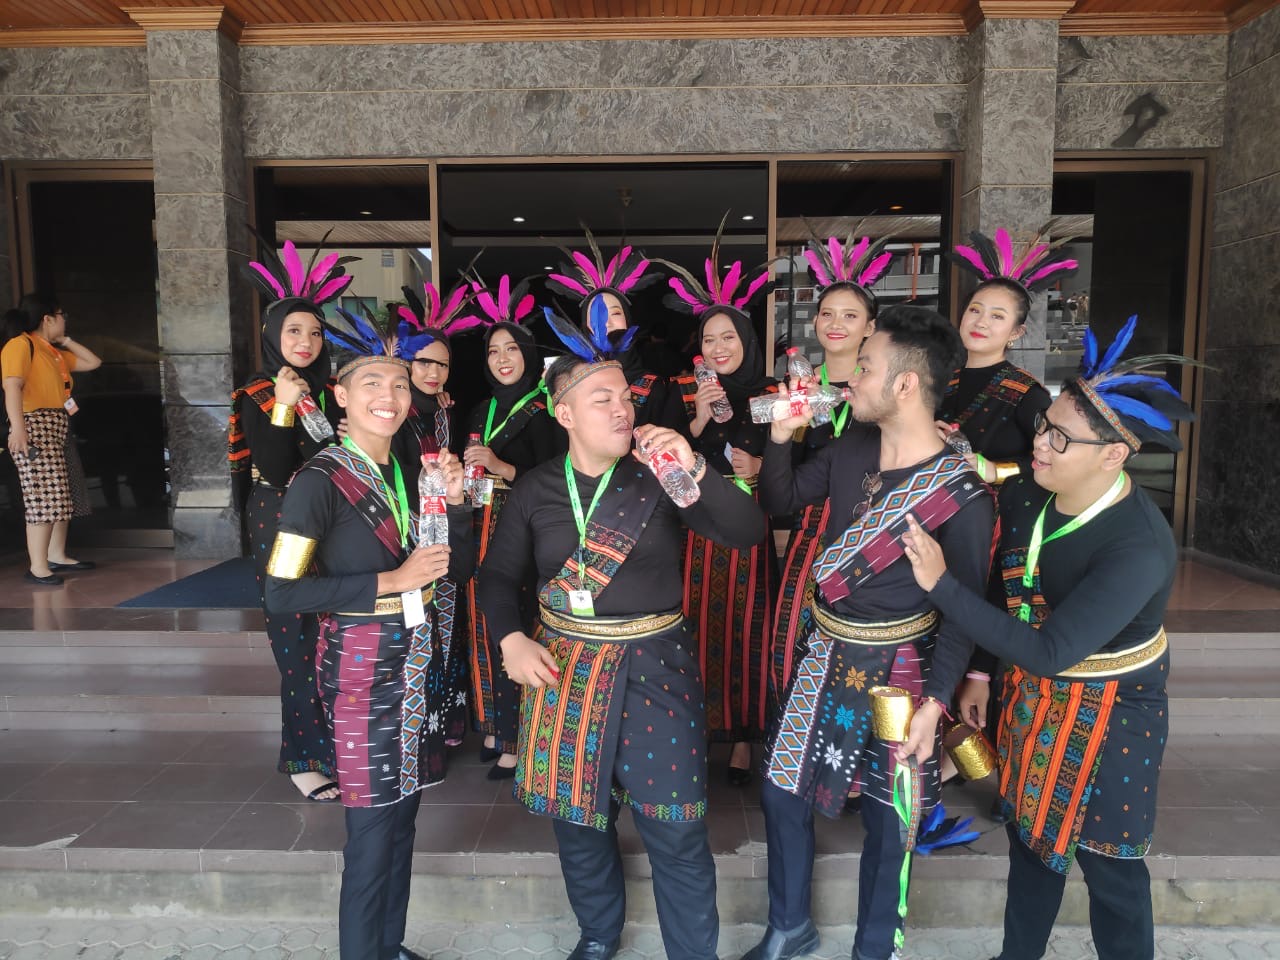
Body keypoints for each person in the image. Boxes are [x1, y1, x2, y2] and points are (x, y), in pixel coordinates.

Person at [901, 315, 1195, 960]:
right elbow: (1005, 591)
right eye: (1044, 425)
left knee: (1110, 867)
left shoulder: (1137, 547)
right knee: (1031, 845)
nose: (1041, 444)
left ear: (1114, 455)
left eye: (1061, 438)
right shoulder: (1029, 493)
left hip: (1114, 708)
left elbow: (1050, 650)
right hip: (1032, 695)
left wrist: (940, 584)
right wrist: (980, 674)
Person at [477, 309, 765, 960]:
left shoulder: (660, 475)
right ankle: (598, 937)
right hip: (563, 669)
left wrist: (695, 465)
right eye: (601, 398)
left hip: (657, 666)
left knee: (677, 832)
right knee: (579, 827)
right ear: (564, 413)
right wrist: (511, 640)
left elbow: (745, 532)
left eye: (625, 397)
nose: (621, 408)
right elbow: (496, 577)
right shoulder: (536, 489)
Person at [750, 305, 995, 960]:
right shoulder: (852, 446)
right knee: (780, 790)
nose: (850, 378)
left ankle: (874, 948)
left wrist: (936, 703)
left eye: (865, 366)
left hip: (904, 671)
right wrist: (782, 438)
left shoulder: (964, 496)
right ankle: (789, 928)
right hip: (827, 648)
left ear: (905, 384)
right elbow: (780, 499)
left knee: (892, 819)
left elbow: (965, 612)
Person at [265, 310, 475, 960]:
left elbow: (456, 570)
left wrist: (458, 505)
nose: (390, 396)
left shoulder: (411, 473)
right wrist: (391, 580)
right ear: (341, 396)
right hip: (361, 673)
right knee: (371, 837)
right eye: (372, 384)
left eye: (399, 384)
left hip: (416, 664)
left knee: (403, 821)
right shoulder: (317, 481)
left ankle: (389, 946)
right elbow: (280, 593)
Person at [936, 227, 1075, 801]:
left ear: (1016, 332)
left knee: (980, 625)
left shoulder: (1025, 393)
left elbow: (1049, 461)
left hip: (995, 526)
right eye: (975, 309)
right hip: (933, 518)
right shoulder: (939, 376)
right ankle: (943, 754)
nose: (981, 321)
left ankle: (989, 771)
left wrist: (997, 469)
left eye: (997, 316)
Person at [231, 238, 355, 802]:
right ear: (272, 336)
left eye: (315, 332)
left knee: (332, 633)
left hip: (329, 518)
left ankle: (336, 747)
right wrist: (284, 403)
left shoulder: (328, 394)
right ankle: (303, 757)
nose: (306, 341)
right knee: (296, 636)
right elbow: (278, 468)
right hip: (281, 522)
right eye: (293, 331)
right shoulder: (259, 392)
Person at [661, 229, 778, 785]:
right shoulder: (687, 391)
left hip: (747, 522)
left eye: (728, 336)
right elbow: (665, 452)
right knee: (695, 624)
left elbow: (791, 457)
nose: (718, 347)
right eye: (709, 339)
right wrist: (702, 417)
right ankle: (699, 729)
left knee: (747, 626)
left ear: (746, 338)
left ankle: (744, 739)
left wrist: (762, 465)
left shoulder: (772, 391)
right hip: (695, 522)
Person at [772, 234, 894, 701]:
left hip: (869, 525)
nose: (836, 324)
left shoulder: (883, 392)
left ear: (870, 327)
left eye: (850, 315)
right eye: (827, 313)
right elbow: (783, 468)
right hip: (808, 530)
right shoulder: (796, 386)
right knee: (790, 640)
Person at [462, 274, 567, 778]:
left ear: (528, 354)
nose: (502, 358)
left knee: (518, 620)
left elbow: (556, 476)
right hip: (480, 520)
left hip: (524, 525)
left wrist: (501, 468)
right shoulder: (481, 408)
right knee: (483, 620)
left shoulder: (545, 410)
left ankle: (517, 734)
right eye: (493, 351)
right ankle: (492, 721)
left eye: (511, 349)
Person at [391, 276, 485, 747]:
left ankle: (443, 725)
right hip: (403, 532)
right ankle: (413, 732)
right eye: (423, 361)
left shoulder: (447, 411)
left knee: (447, 624)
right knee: (415, 628)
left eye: (442, 364)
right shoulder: (391, 411)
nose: (433, 371)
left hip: (445, 527)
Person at [2, 294, 103, 586]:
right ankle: (38, 566)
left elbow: (93, 362)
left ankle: (56, 555)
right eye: (61, 315)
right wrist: (18, 428)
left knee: (59, 493)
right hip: (34, 424)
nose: (64, 320)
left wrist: (65, 340)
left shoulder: (51, 351)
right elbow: (12, 387)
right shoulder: (20, 345)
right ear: (47, 318)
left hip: (55, 424)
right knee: (43, 497)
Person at [545, 226, 677, 429]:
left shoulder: (654, 386)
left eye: (615, 313)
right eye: (597, 316)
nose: (606, 322)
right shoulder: (570, 381)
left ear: (628, 321)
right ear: (584, 326)